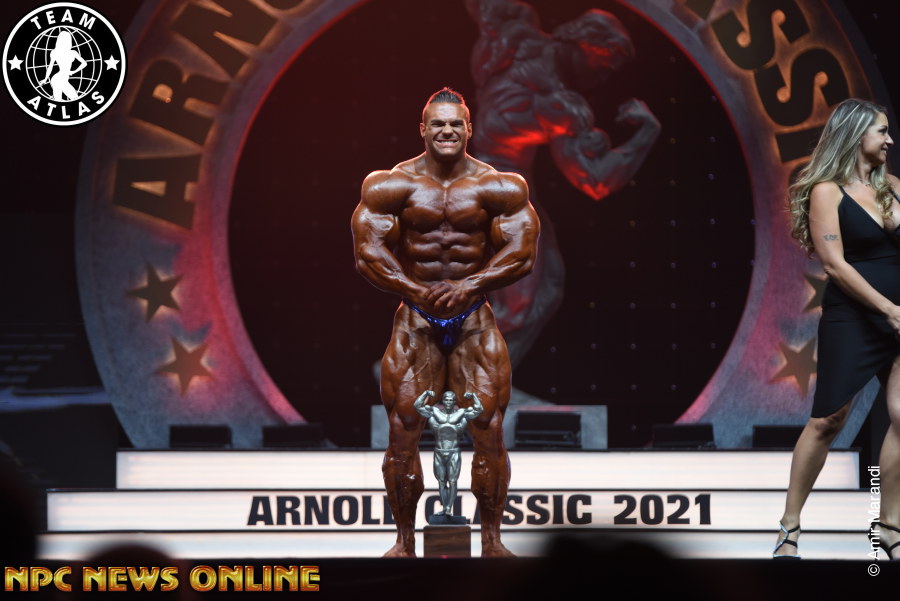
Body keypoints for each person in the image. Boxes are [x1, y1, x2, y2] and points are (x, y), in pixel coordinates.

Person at [351, 87, 539, 557]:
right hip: (416, 320)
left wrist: (472, 284)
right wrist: (414, 290)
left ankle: (492, 541)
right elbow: (367, 253)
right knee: (403, 433)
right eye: (438, 123)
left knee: (489, 432)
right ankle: (404, 542)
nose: (447, 131)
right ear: (423, 129)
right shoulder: (390, 186)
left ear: (469, 129)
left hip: (473, 319)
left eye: (456, 124)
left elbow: (522, 253)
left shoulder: (500, 187)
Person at [465, 0, 660, 366]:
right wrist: (646, 133)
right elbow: (596, 181)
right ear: (589, 45)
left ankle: (486, 380)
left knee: (548, 287)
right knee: (520, 301)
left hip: (498, 185)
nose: (604, 77)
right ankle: (426, 368)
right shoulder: (561, 102)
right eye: (605, 64)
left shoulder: (517, 36)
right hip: (493, 188)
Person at [776, 98, 900, 559]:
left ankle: (888, 526)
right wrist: (888, 309)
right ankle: (790, 525)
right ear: (855, 134)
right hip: (855, 316)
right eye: (881, 131)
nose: (890, 140)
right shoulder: (828, 191)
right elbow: (834, 264)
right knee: (828, 420)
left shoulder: (895, 188)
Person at [414, 389, 484, 519]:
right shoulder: (434, 411)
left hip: (454, 451)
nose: (448, 402)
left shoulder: (461, 413)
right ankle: (444, 507)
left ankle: (448, 508)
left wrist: (473, 396)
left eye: (451, 400)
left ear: (454, 402)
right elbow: (417, 406)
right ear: (443, 400)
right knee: (441, 481)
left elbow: (479, 409)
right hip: (439, 451)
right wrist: (425, 393)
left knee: (452, 481)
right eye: (446, 399)